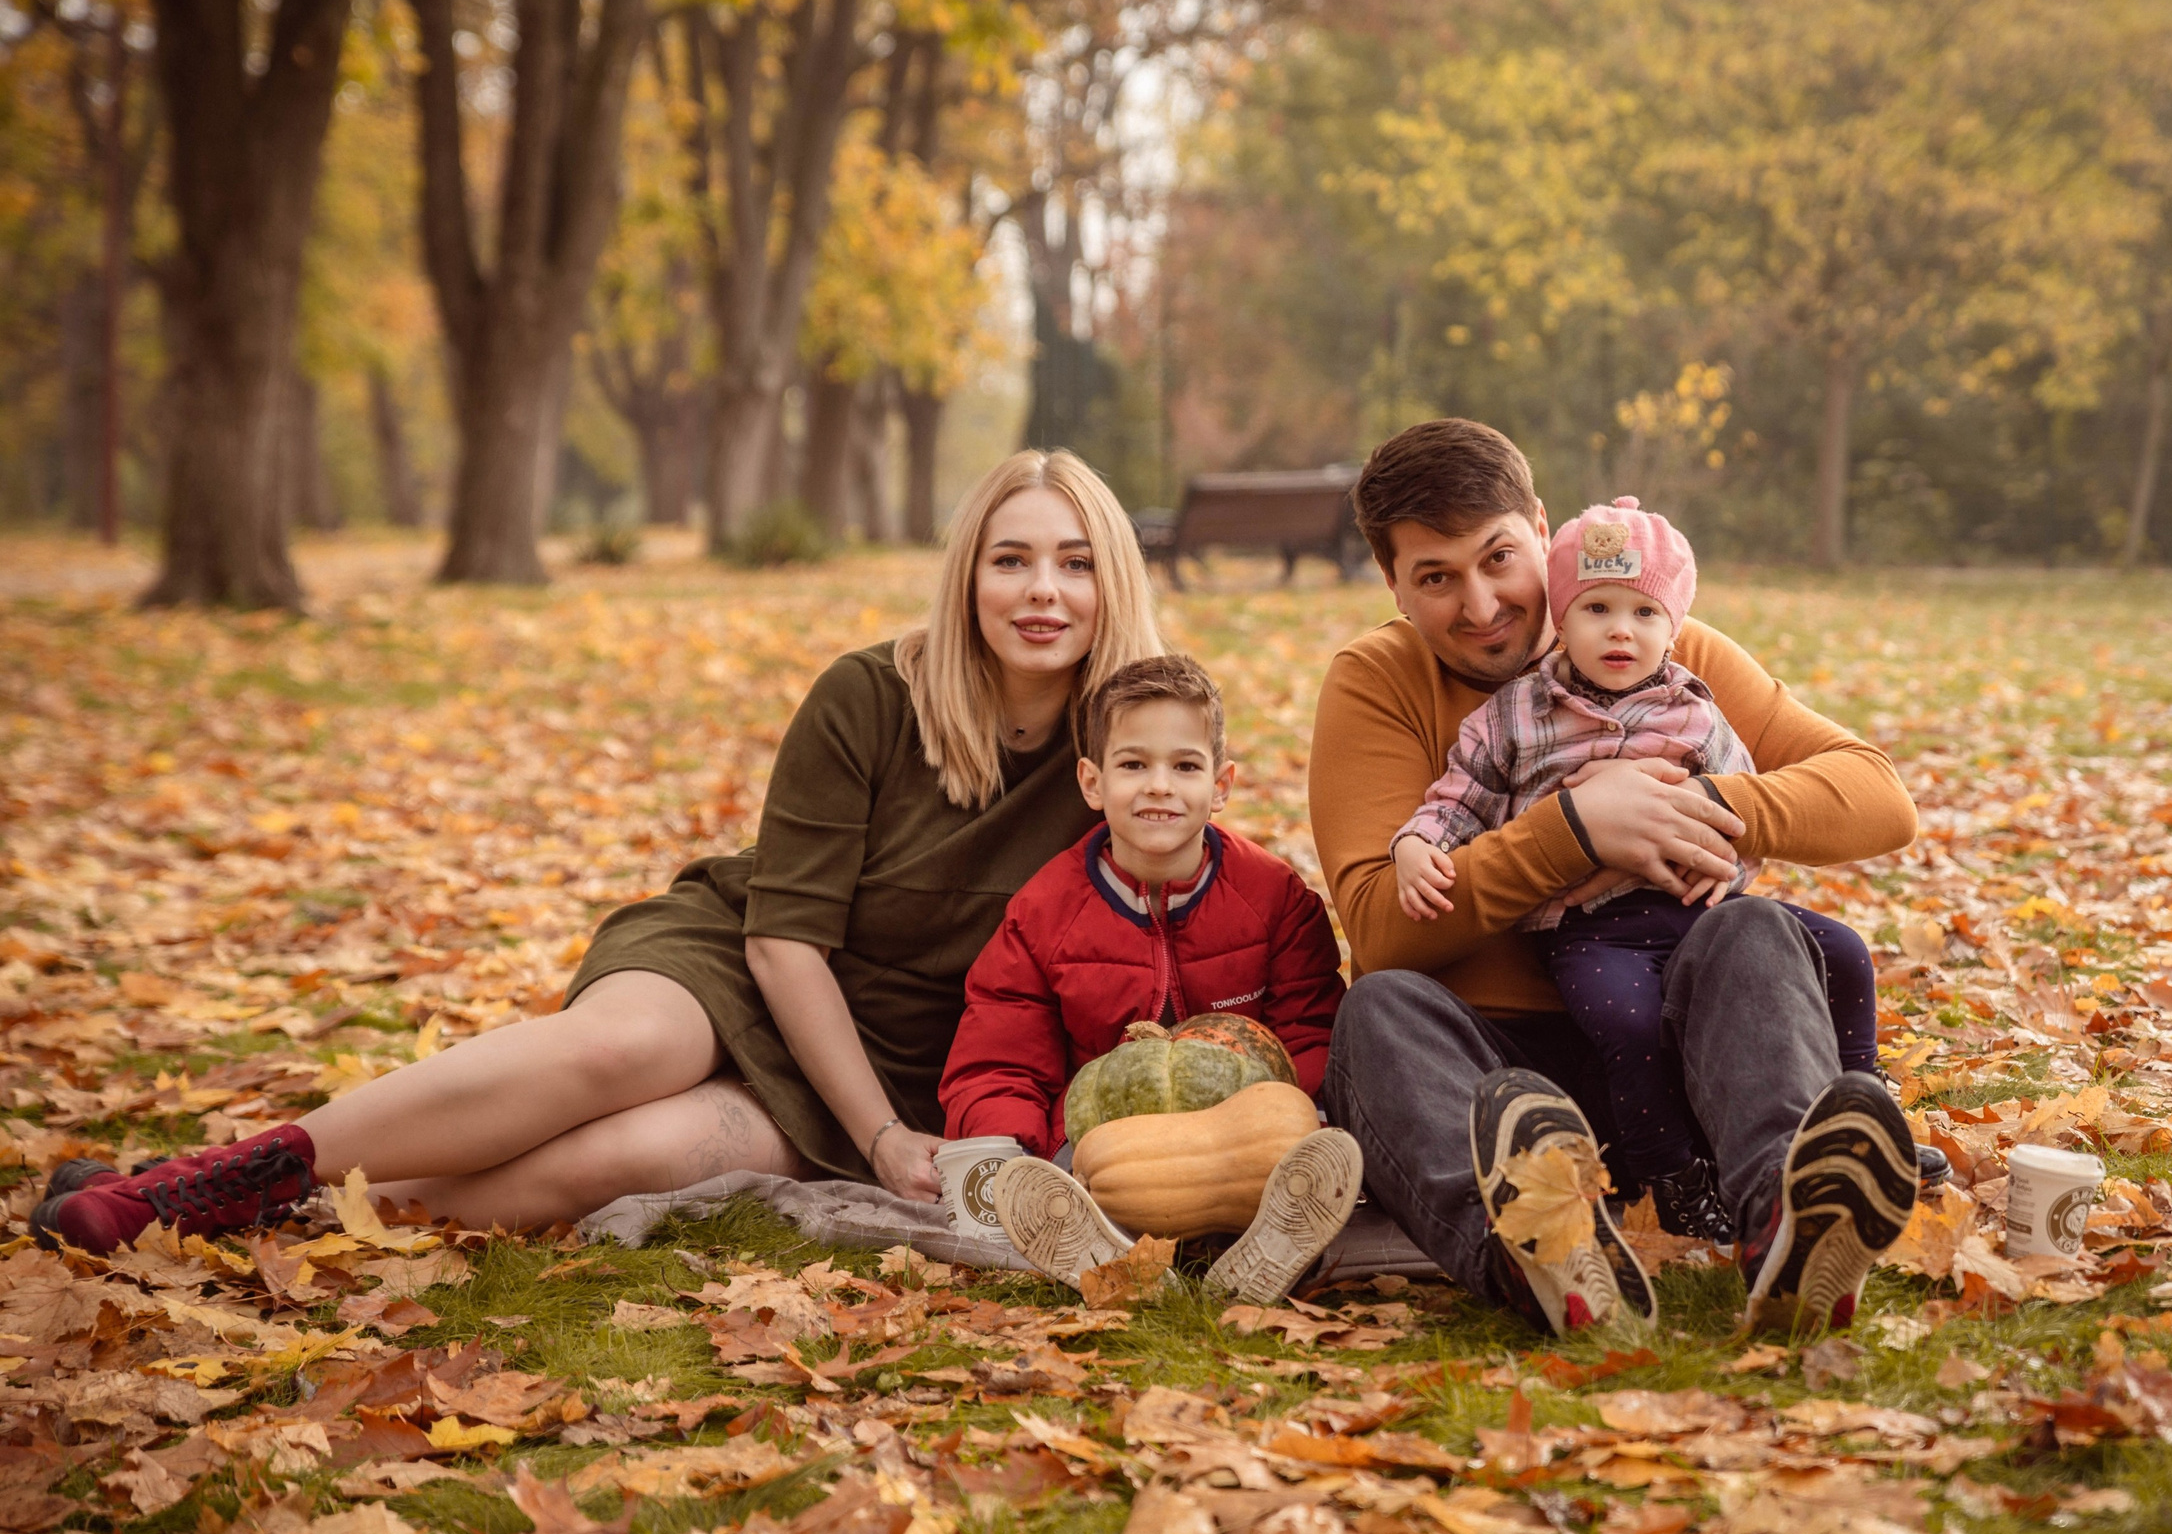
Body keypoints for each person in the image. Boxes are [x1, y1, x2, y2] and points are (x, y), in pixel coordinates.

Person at [36, 450, 1161, 1252]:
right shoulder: (873, 693)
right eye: (1012, 559)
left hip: (901, 1059)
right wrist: (874, 1136)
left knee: (614, 1157)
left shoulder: (1132, 749)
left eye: (1074, 562)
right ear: (969, 573)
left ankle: (287, 1209)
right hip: (747, 960)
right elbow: (782, 941)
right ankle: (199, 1181)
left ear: (1112, 579)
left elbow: (1189, 905)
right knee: (616, 1050)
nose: (1043, 592)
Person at [1312, 421, 1922, 1337]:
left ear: (1545, 532)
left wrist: (1698, 807)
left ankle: (1788, 1218)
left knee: (1755, 929)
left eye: (1498, 558)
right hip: (1490, 1080)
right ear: (1392, 585)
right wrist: (1576, 831)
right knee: (1378, 1011)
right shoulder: (1376, 680)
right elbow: (1381, 921)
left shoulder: (1660, 651)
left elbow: (1879, 797)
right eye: (1436, 577)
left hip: (1675, 1055)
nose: (1480, 604)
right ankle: (1540, 1251)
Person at [1390, 496, 1898, 1243]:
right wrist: (1413, 844)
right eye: (1596, 607)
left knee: (1846, 953)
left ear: (1673, 626)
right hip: (1596, 932)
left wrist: (1724, 855)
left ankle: (1860, 1108)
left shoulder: (1696, 707)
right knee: (1626, 1021)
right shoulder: (1515, 715)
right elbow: (1459, 797)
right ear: (1563, 616)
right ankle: (1673, 1174)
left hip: (1697, 913)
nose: (1621, 629)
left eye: (1645, 613)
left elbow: (1748, 801)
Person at [941, 655, 1360, 1304]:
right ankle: (1090, 1240)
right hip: (1105, 1158)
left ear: (1221, 784)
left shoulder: (1273, 898)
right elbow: (1001, 1055)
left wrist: (1306, 1114)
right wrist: (1002, 1154)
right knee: (1059, 1176)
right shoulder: (1044, 913)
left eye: (1184, 766)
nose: (1159, 785)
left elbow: (1310, 1032)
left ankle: (1269, 1239)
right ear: (1092, 780)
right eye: (1134, 764)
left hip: (1238, 1149)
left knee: (1294, 1144)